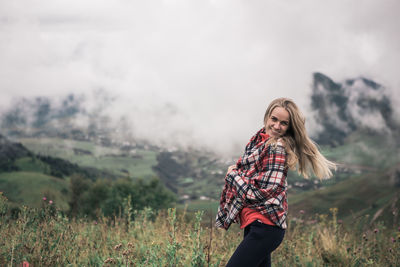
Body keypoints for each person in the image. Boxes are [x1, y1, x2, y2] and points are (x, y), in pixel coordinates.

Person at [216, 97, 336, 267]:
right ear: (267, 117)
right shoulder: (259, 139)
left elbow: (260, 194)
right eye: (274, 119)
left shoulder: (276, 148)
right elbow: (252, 175)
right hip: (256, 224)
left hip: (265, 228)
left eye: (284, 123)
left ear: (289, 127)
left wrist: (232, 175)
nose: (277, 126)